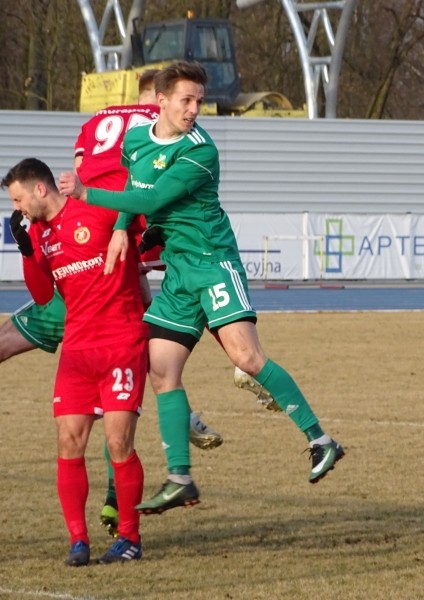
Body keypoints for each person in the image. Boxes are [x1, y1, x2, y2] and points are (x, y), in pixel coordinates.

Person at [59, 61, 344, 516]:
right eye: (186, 100)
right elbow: (134, 184)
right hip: (178, 272)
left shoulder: (200, 150)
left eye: (199, 101)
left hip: (213, 264)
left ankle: (321, 440)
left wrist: (87, 194)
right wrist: (120, 228)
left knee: (247, 358)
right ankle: (180, 478)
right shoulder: (136, 140)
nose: (194, 109)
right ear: (162, 101)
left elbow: (152, 198)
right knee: (161, 370)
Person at [0, 70, 222, 539]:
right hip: (97, 266)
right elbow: (149, 198)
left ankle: (121, 501)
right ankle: (169, 417)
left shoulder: (99, 123)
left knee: (108, 399)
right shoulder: (157, 130)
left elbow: (81, 170)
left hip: (90, 278)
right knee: (138, 354)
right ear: (157, 97)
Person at [3, 158, 148, 565]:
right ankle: (78, 541)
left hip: (121, 340)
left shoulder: (95, 207)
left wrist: (128, 232)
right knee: (69, 441)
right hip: (78, 348)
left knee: (118, 443)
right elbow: (43, 296)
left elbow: (137, 208)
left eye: (18, 199)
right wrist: (27, 251)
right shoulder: (40, 234)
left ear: (40, 189)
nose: (17, 209)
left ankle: (130, 538)